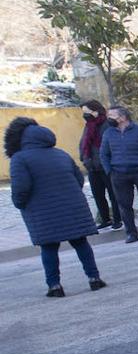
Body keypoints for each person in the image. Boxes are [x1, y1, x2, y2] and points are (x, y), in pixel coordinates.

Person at [5, 117, 106, 297]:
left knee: (49, 248)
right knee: (81, 242)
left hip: (43, 212)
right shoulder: (60, 153)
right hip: (73, 207)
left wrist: (19, 203)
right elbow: (79, 179)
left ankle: (55, 286)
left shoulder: (20, 158)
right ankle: (94, 278)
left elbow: (21, 187)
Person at [99, 104, 138, 243]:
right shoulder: (108, 133)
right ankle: (131, 234)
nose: (108, 119)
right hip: (118, 174)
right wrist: (110, 171)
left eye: (111, 116)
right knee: (124, 205)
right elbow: (103, 154)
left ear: (122, 117)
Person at [78, 100, 120, 229]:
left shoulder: (107, 125)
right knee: (98, 195)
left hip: (106, 166)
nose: (85, 115)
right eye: (83, 112)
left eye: (87, 112)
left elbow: (109, 146)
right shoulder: (88, 126)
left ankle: (118, 219)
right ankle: (105, 219)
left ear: (96, 111)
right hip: (92, 167)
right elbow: (83, 144)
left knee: (113, 194)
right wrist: (84, 159)